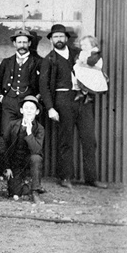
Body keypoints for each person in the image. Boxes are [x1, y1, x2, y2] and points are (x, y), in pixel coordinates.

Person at [39, 24, 106, 189]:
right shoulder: (49, 59)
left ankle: (91, 178)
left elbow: (94, 63)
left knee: (89, 139)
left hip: (84, 100)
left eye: (61, 36)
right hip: (63, 101)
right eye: (55, 37)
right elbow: (44, 86)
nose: (59, 39)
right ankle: (65, 177)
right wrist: (50, 108)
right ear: (51, 40)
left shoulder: (78, 53)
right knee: (66, 140)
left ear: (66, 38)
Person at [0, 29, 41, 133]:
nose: (22, 45)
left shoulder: (38, 62)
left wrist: (37, 98)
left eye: (25, 42)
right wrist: (1, 97)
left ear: (29, 43)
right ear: (14, 44)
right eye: (19, 42)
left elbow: (43, 84)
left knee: (26, 133)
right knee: (7, 132)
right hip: (9, 103)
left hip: (29, 103)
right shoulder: (6, 62)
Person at [3, 96, 45, 204]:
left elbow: (36, 150)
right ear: (21, 110)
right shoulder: (12, 125)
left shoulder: (39, 128)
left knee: (36, 158)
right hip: (15, 163)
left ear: (37, 112)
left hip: (29, 161)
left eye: (32, 108)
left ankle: (35, 191)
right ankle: (26, 184)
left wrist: (29, 132)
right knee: (15, 193)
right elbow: (5, 146)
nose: (29, 111)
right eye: (26, 108)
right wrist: (7, 167)